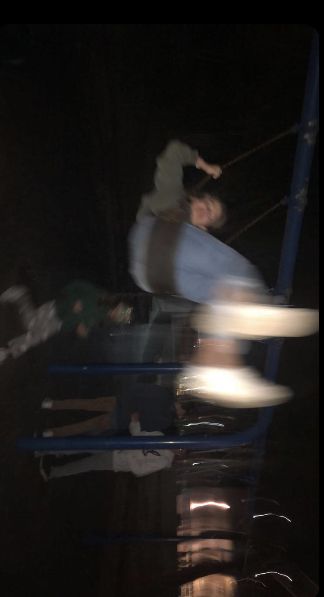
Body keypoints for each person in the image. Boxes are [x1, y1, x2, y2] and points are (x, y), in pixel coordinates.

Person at [128, 139, 318, 407]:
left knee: (224, 297)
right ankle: (252, 312)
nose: (206, 212)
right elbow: (171, 154)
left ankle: (218, 363)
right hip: (149, 237)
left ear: (204, 232)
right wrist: (203, 163)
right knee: (238, 271)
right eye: (206, 205)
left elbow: (213, 272)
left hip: (155, 277)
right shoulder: (173, 198)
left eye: (208, 218)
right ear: (194, 197)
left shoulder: (195, 244)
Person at [0, 279, 132, 365]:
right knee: (30, 324)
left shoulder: (101, 320)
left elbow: (85, 324)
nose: (116, 315)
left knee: (35, 338)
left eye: (119, 318)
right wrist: (73, 302)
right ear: (118, 306)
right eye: (119, 312)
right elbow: (74, 286)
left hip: (60, 324)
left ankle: (6, 352)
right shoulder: (98, 295)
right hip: (57, 309)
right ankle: (21, 295)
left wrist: (83, 332)